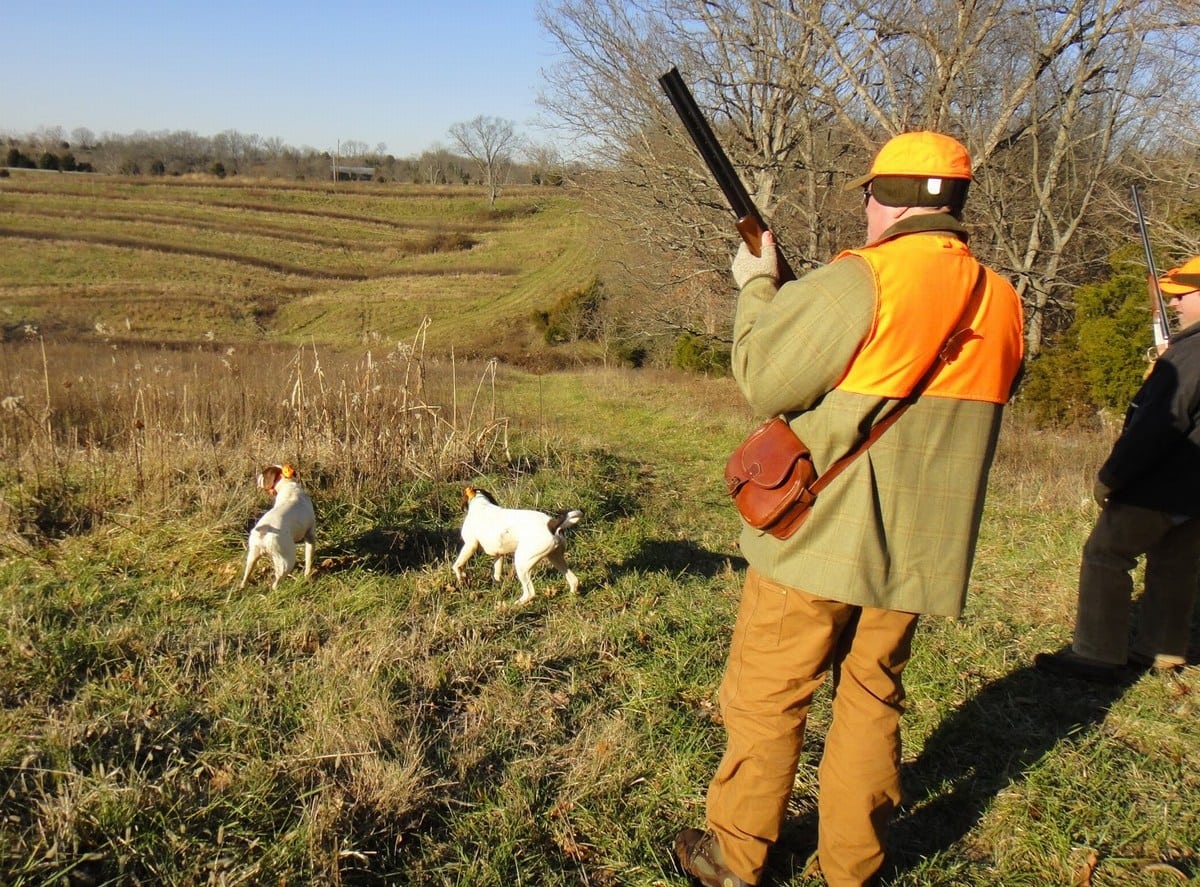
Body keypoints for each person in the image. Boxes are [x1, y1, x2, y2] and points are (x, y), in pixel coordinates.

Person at [672, 131, 1025, 887]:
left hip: (818, 541)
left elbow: (764, 377)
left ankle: (735, 857)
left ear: (883, 200)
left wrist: (757, 284)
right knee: (872, 700)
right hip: (921, 552)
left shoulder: (862, 278)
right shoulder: (1003, 300)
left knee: (768, 697)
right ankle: (852, 867)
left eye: (868, 194)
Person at [1035, 255, 1200, 684]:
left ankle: (1096, 655)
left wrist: (1114, 475)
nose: (1176, 303)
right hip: (1196, 490)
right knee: (1173, 566)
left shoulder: (1189, 353)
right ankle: (1162, 650)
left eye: (1184, 294)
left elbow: (1160, 424)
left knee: (1106, 555)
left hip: (1160, 482)